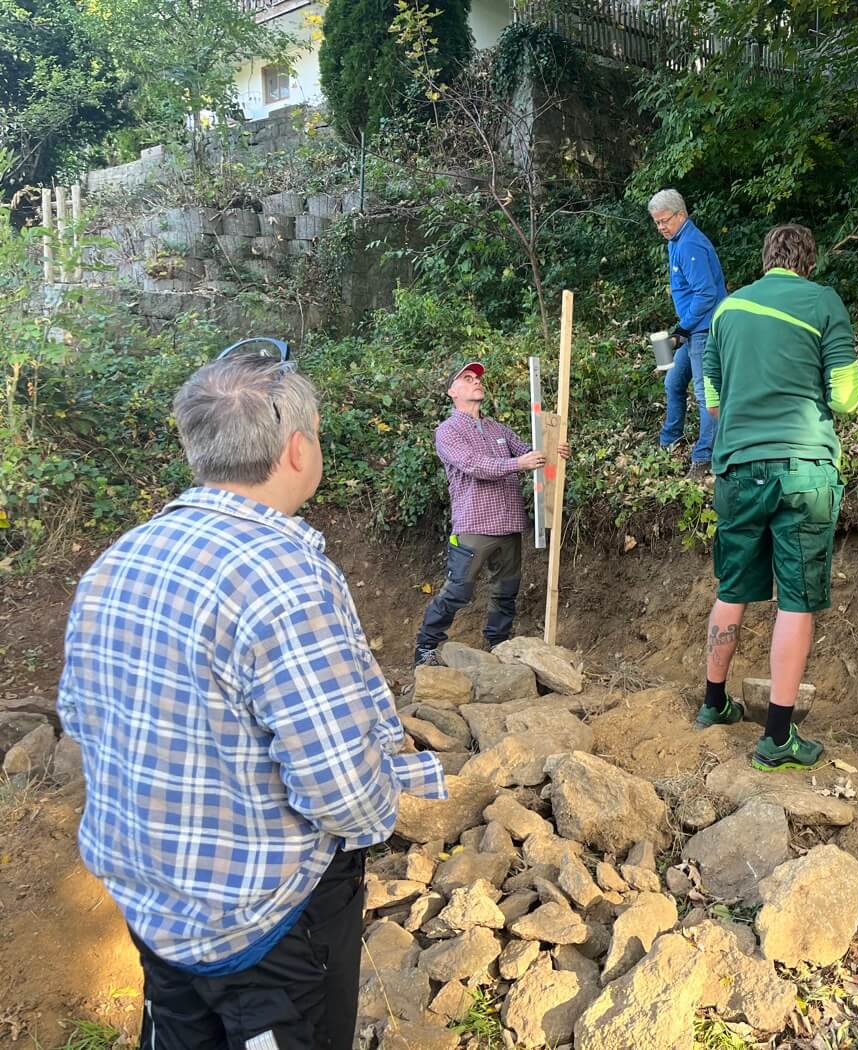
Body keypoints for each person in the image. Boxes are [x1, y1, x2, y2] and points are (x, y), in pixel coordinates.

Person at [57, 352, 446, 1050]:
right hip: (270, 924)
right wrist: (385, 806)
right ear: (297, 448)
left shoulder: (118, 560)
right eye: (319, 433)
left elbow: (86, 720)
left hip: (157, 910)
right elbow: (340, 791)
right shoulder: (289, 578)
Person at [695, 223, 858, 770]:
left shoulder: (725, 312)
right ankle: (777, 738)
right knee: (796, 599)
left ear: (765, 258)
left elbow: (713, 402)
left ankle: (714, 703)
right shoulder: (822, 303)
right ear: (807, 261)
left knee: (734, 587)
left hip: (737, 470)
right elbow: (845, 398)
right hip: (803, 471)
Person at [414, 359, 568, 665]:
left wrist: (554, 452)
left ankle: (498, 646)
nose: (476, 381)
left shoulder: (498, 428)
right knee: (457, 591)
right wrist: (518, 464)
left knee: (506, 591)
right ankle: (425, 649)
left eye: (477, 378)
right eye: (468, 378)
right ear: (452, 391)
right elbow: (474, 465)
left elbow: (528, 452)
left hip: (509, 523)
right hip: (475, 525)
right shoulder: (448, 431)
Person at [648, 188, 727, 479]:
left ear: (681, 214)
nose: (661, 227)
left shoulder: (690, 245)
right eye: (656, 223)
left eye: (664, 221)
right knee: (673, 382)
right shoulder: (675, 241)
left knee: (706, 396)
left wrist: (682, 329)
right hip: (691, 328)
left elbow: (706, 294)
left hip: (704, 329)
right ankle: (670, 441)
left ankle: (705, 457)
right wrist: (680, 331)